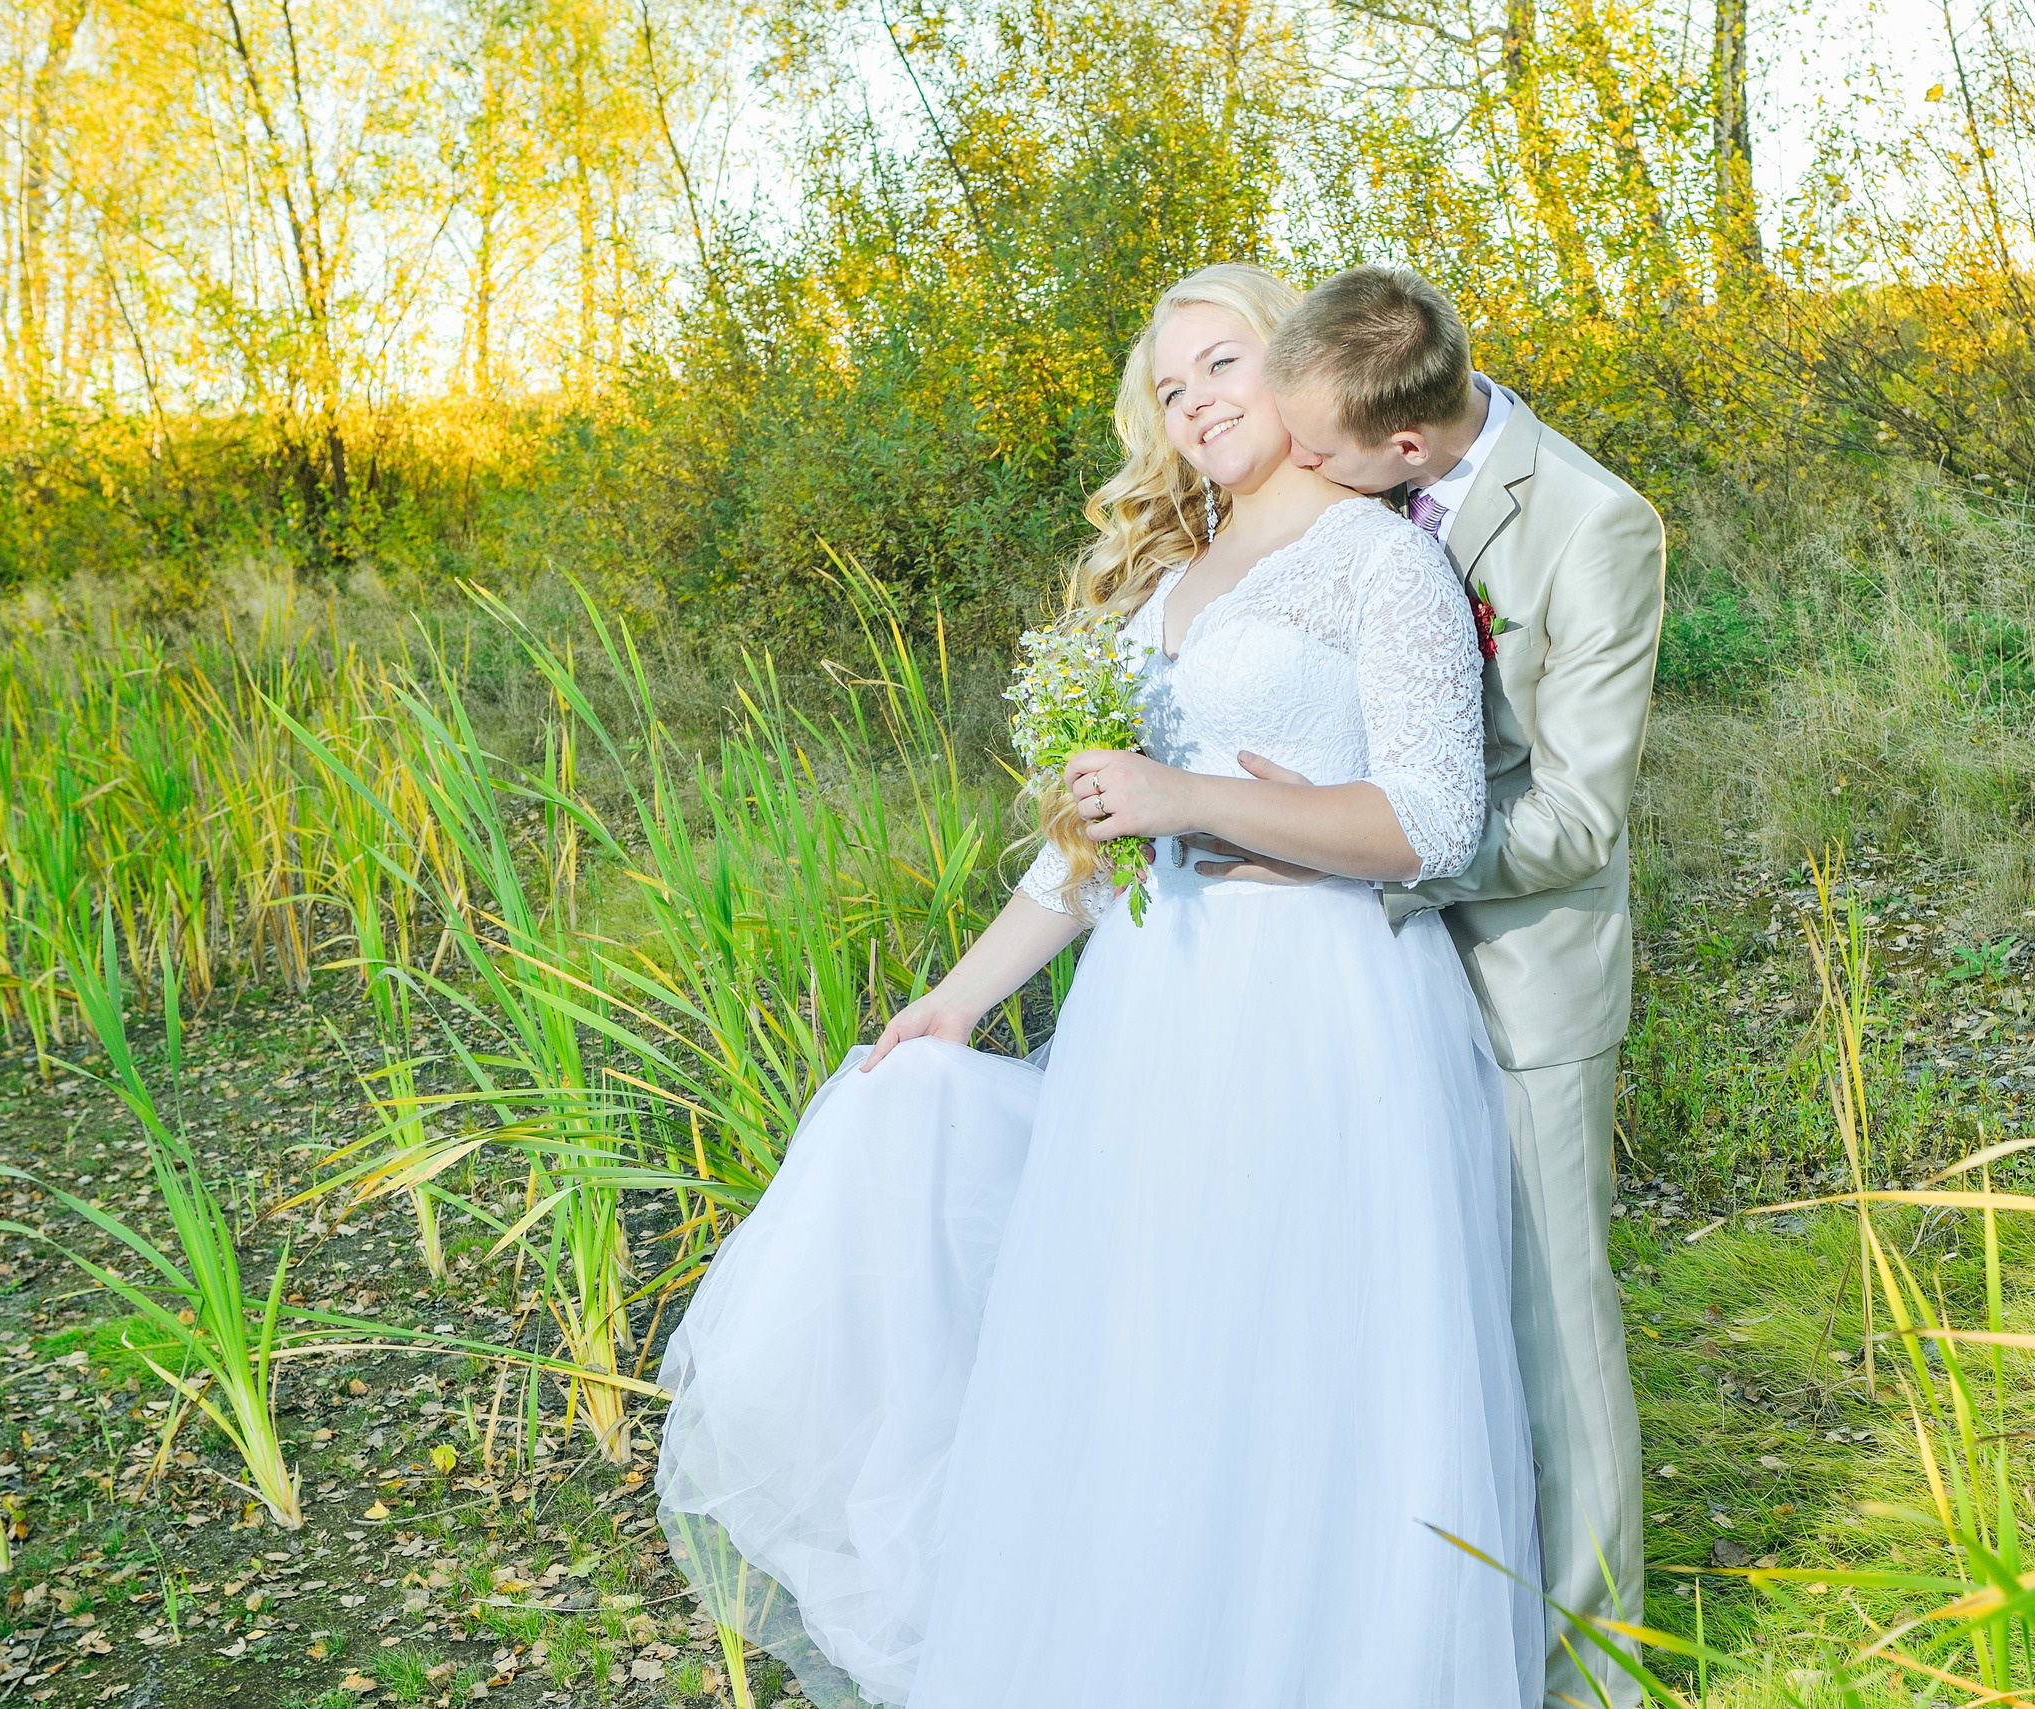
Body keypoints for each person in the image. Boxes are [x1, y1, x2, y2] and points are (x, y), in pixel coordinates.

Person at [652, 262, 1542, 1708]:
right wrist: (953, 1000)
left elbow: (1432, 823)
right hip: (1151, 1008)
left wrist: (1194, 793)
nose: (1195, 404)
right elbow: (1085, 850)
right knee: (1152, 1351)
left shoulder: (1386, 563)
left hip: (1317, 1009)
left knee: (1296, 1353)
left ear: (1300, 364)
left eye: (1223, 365)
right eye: (1170, 386)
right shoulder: (1165, 580)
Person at [1257, 265, 1667, 1709]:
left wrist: (1373, 855)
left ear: (1409, 449)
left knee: (1556, 1323)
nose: (1295, 462)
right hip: (1358, 984)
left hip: (1517, 978)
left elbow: (1575, 820)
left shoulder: (1596, 527)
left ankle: (1595, 1669)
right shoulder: (1344, 488)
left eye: (1320, 449)